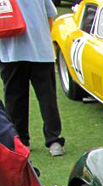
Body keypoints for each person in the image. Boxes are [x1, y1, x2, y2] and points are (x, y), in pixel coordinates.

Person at [0, 0, 64, 156]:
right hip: (39, 50)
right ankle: (53, 140)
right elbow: (50, 15)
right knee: (46, 97)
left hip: (11, 52)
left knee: (16, 99)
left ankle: (21, 141)